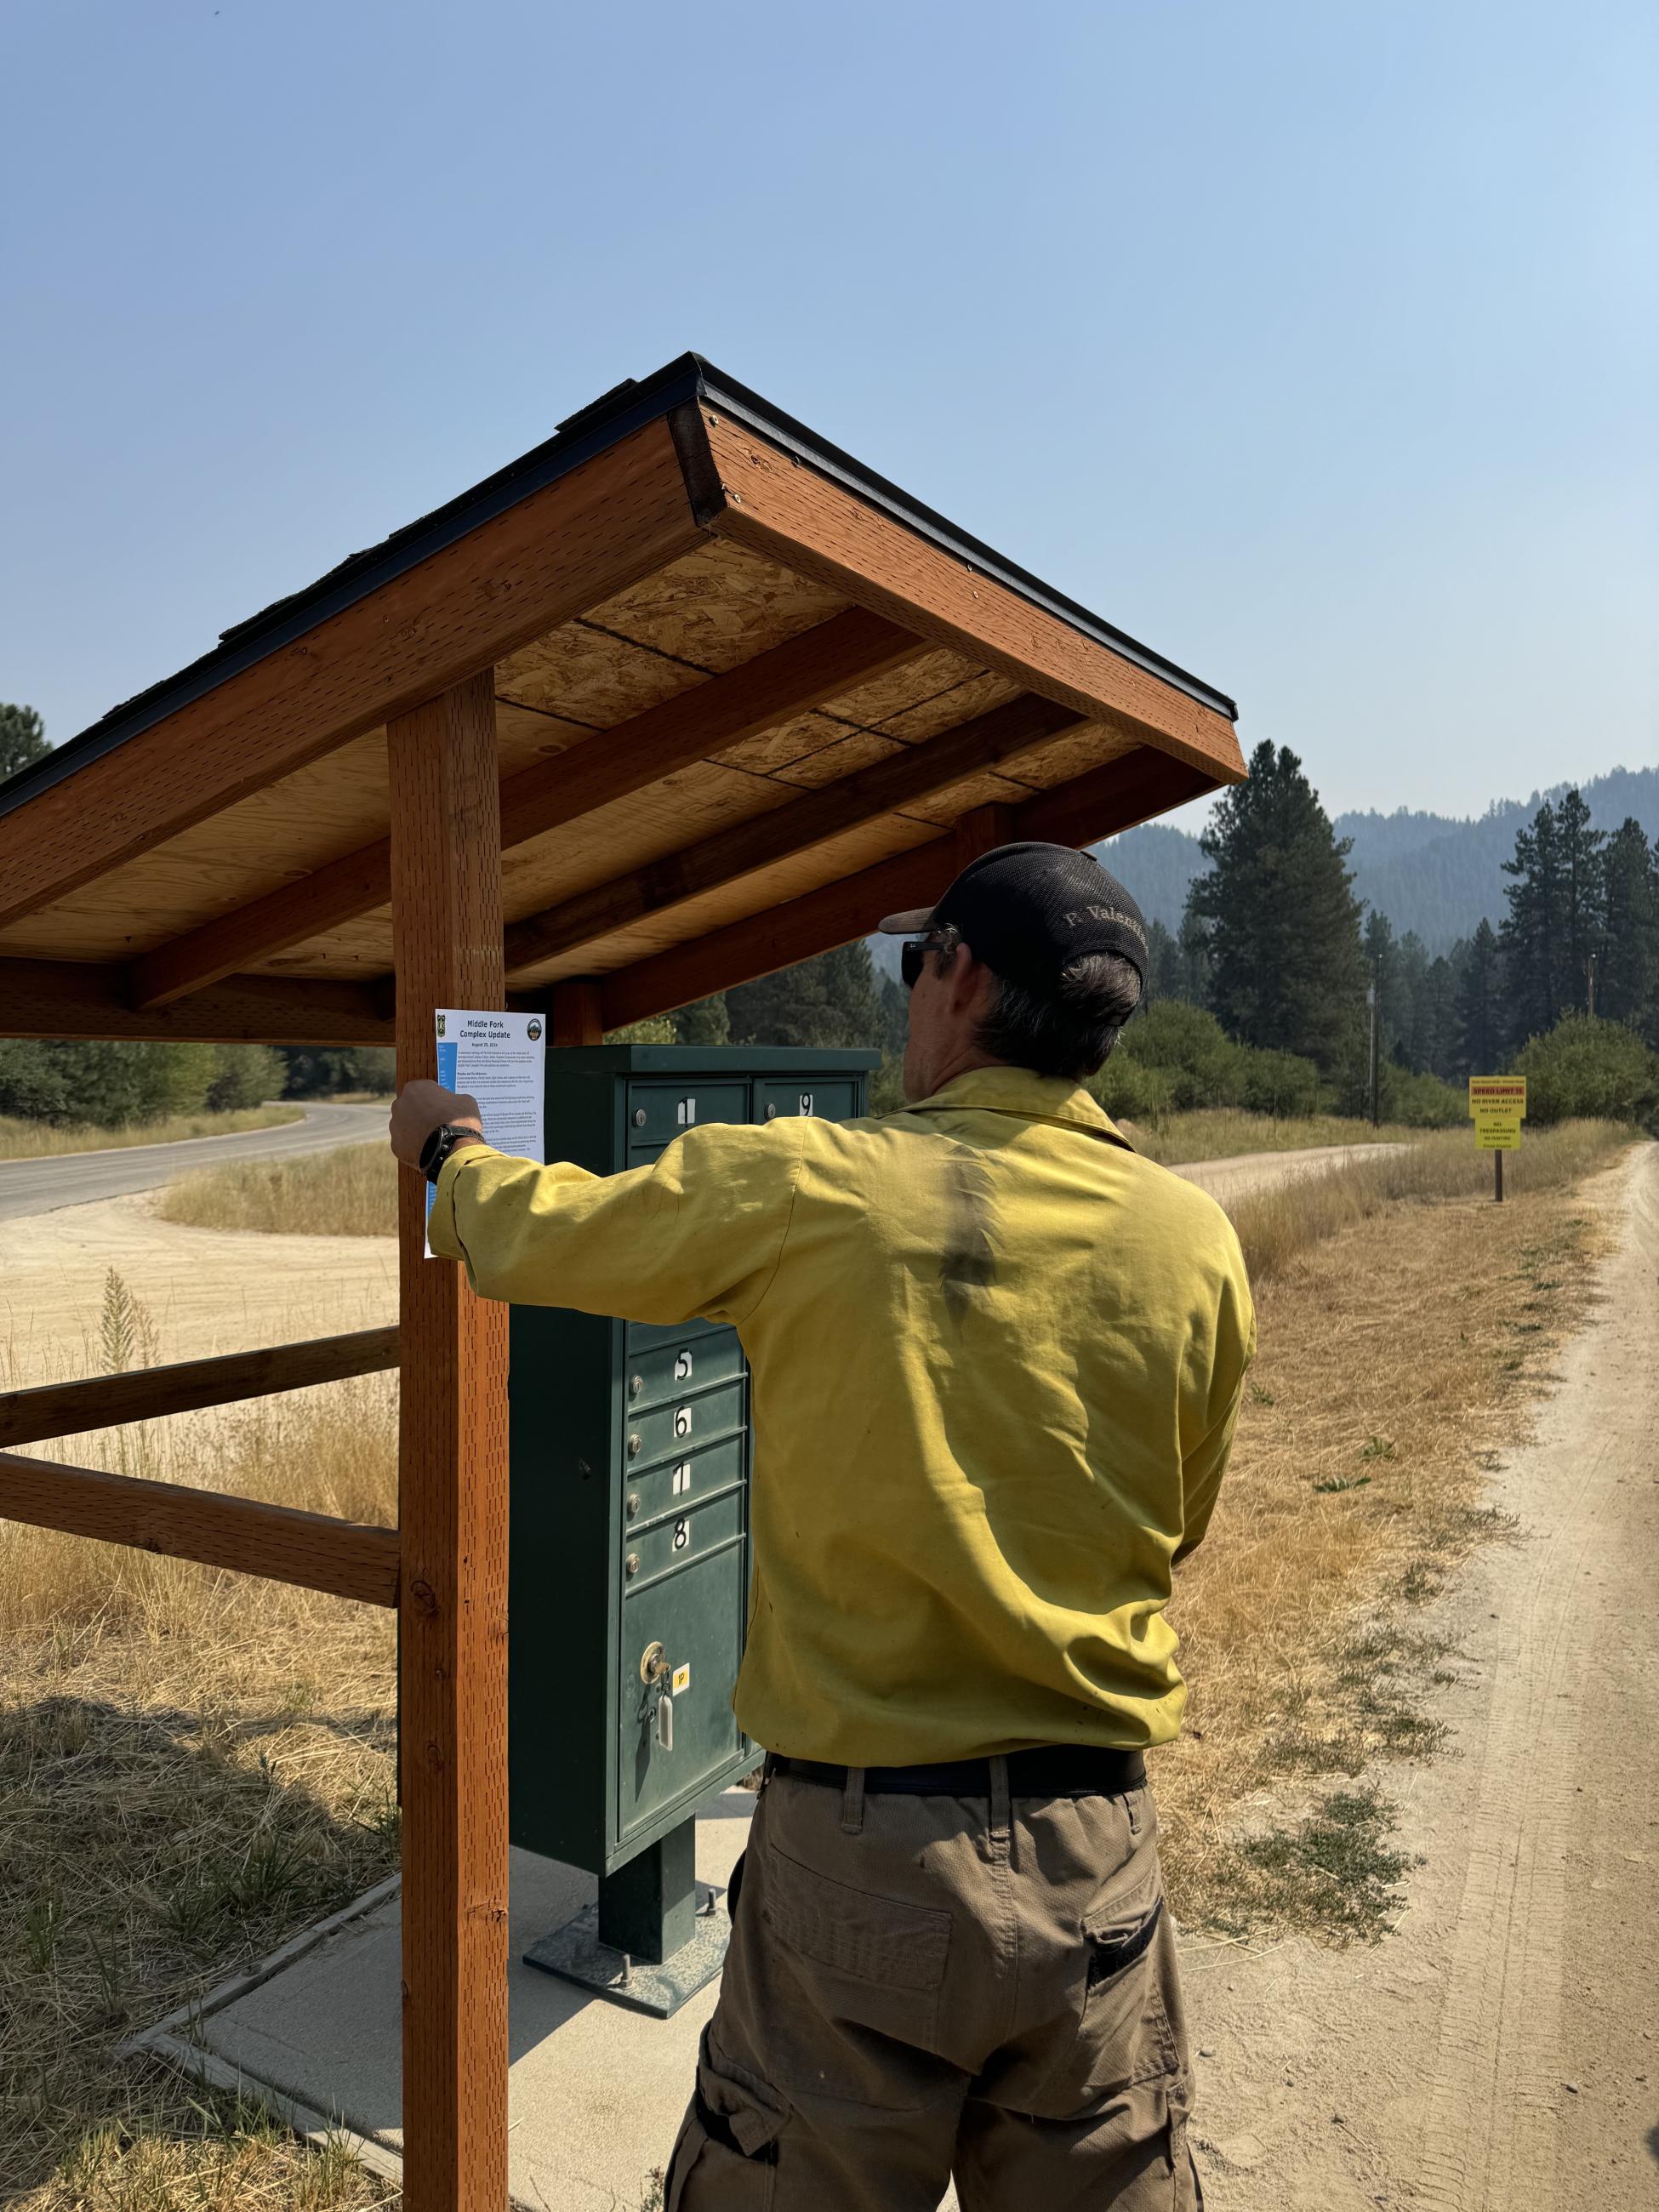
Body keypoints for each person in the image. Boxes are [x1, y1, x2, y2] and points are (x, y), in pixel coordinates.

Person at [389, 841, 1253, 2210]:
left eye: (913, 965)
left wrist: (445, 1148)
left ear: (958, 977)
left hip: (862, 1860)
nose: (905, 996)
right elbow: (1176, 1522)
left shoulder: (814, 1184)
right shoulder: (1191, 1238)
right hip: (1099, 1860)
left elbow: (545, 1234)